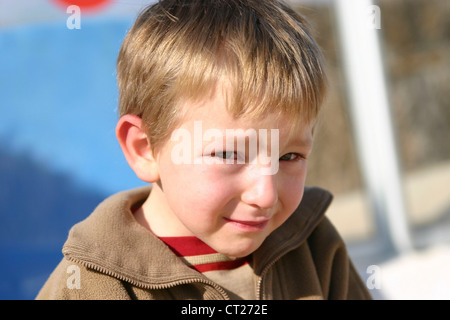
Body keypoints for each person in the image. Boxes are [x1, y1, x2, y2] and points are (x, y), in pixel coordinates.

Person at [36, 0, 372, 300]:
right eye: (229, 155)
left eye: (289, 157)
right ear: (144, 148)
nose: (265, 195)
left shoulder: (312, 245)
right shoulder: (86, 287)